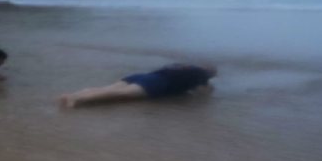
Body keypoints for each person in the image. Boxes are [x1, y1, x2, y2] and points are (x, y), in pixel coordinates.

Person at [58, 63, 217, 109]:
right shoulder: (201, 75)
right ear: (209, 73)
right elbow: (206, 91)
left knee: (108, 89)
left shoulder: (182, 67)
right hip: (156, 83)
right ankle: (76, 99)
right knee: (119, 95)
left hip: (143, 75)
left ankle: (75, 94)